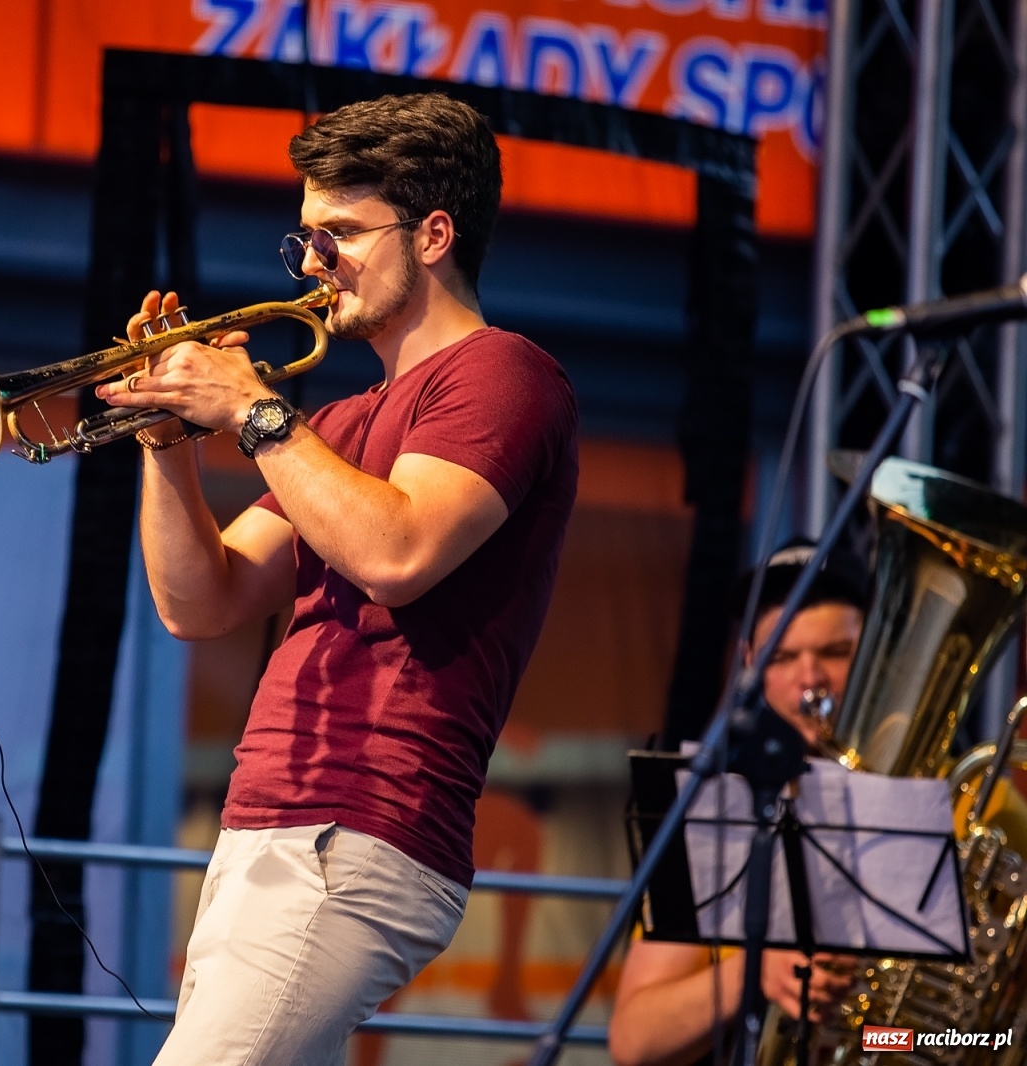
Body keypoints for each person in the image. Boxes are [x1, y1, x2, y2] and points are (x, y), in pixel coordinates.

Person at [94, 92, 578, 1064]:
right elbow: (203, 599)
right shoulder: (350, 421)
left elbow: (396, 553)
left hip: (356, 826)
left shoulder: (502, 374)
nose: (314, 267)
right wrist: (165, 448)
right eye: (305, 241)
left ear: (433, 233)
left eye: (341, 236)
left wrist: (253, 409)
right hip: (272, 820)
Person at [608, 538, 870, 1066]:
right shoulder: (717, 813)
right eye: (784, 656)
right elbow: (635, 1040)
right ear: (750, 662)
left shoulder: (955, 796)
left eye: (837, 653)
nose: (811, 678)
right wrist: (756, 971)